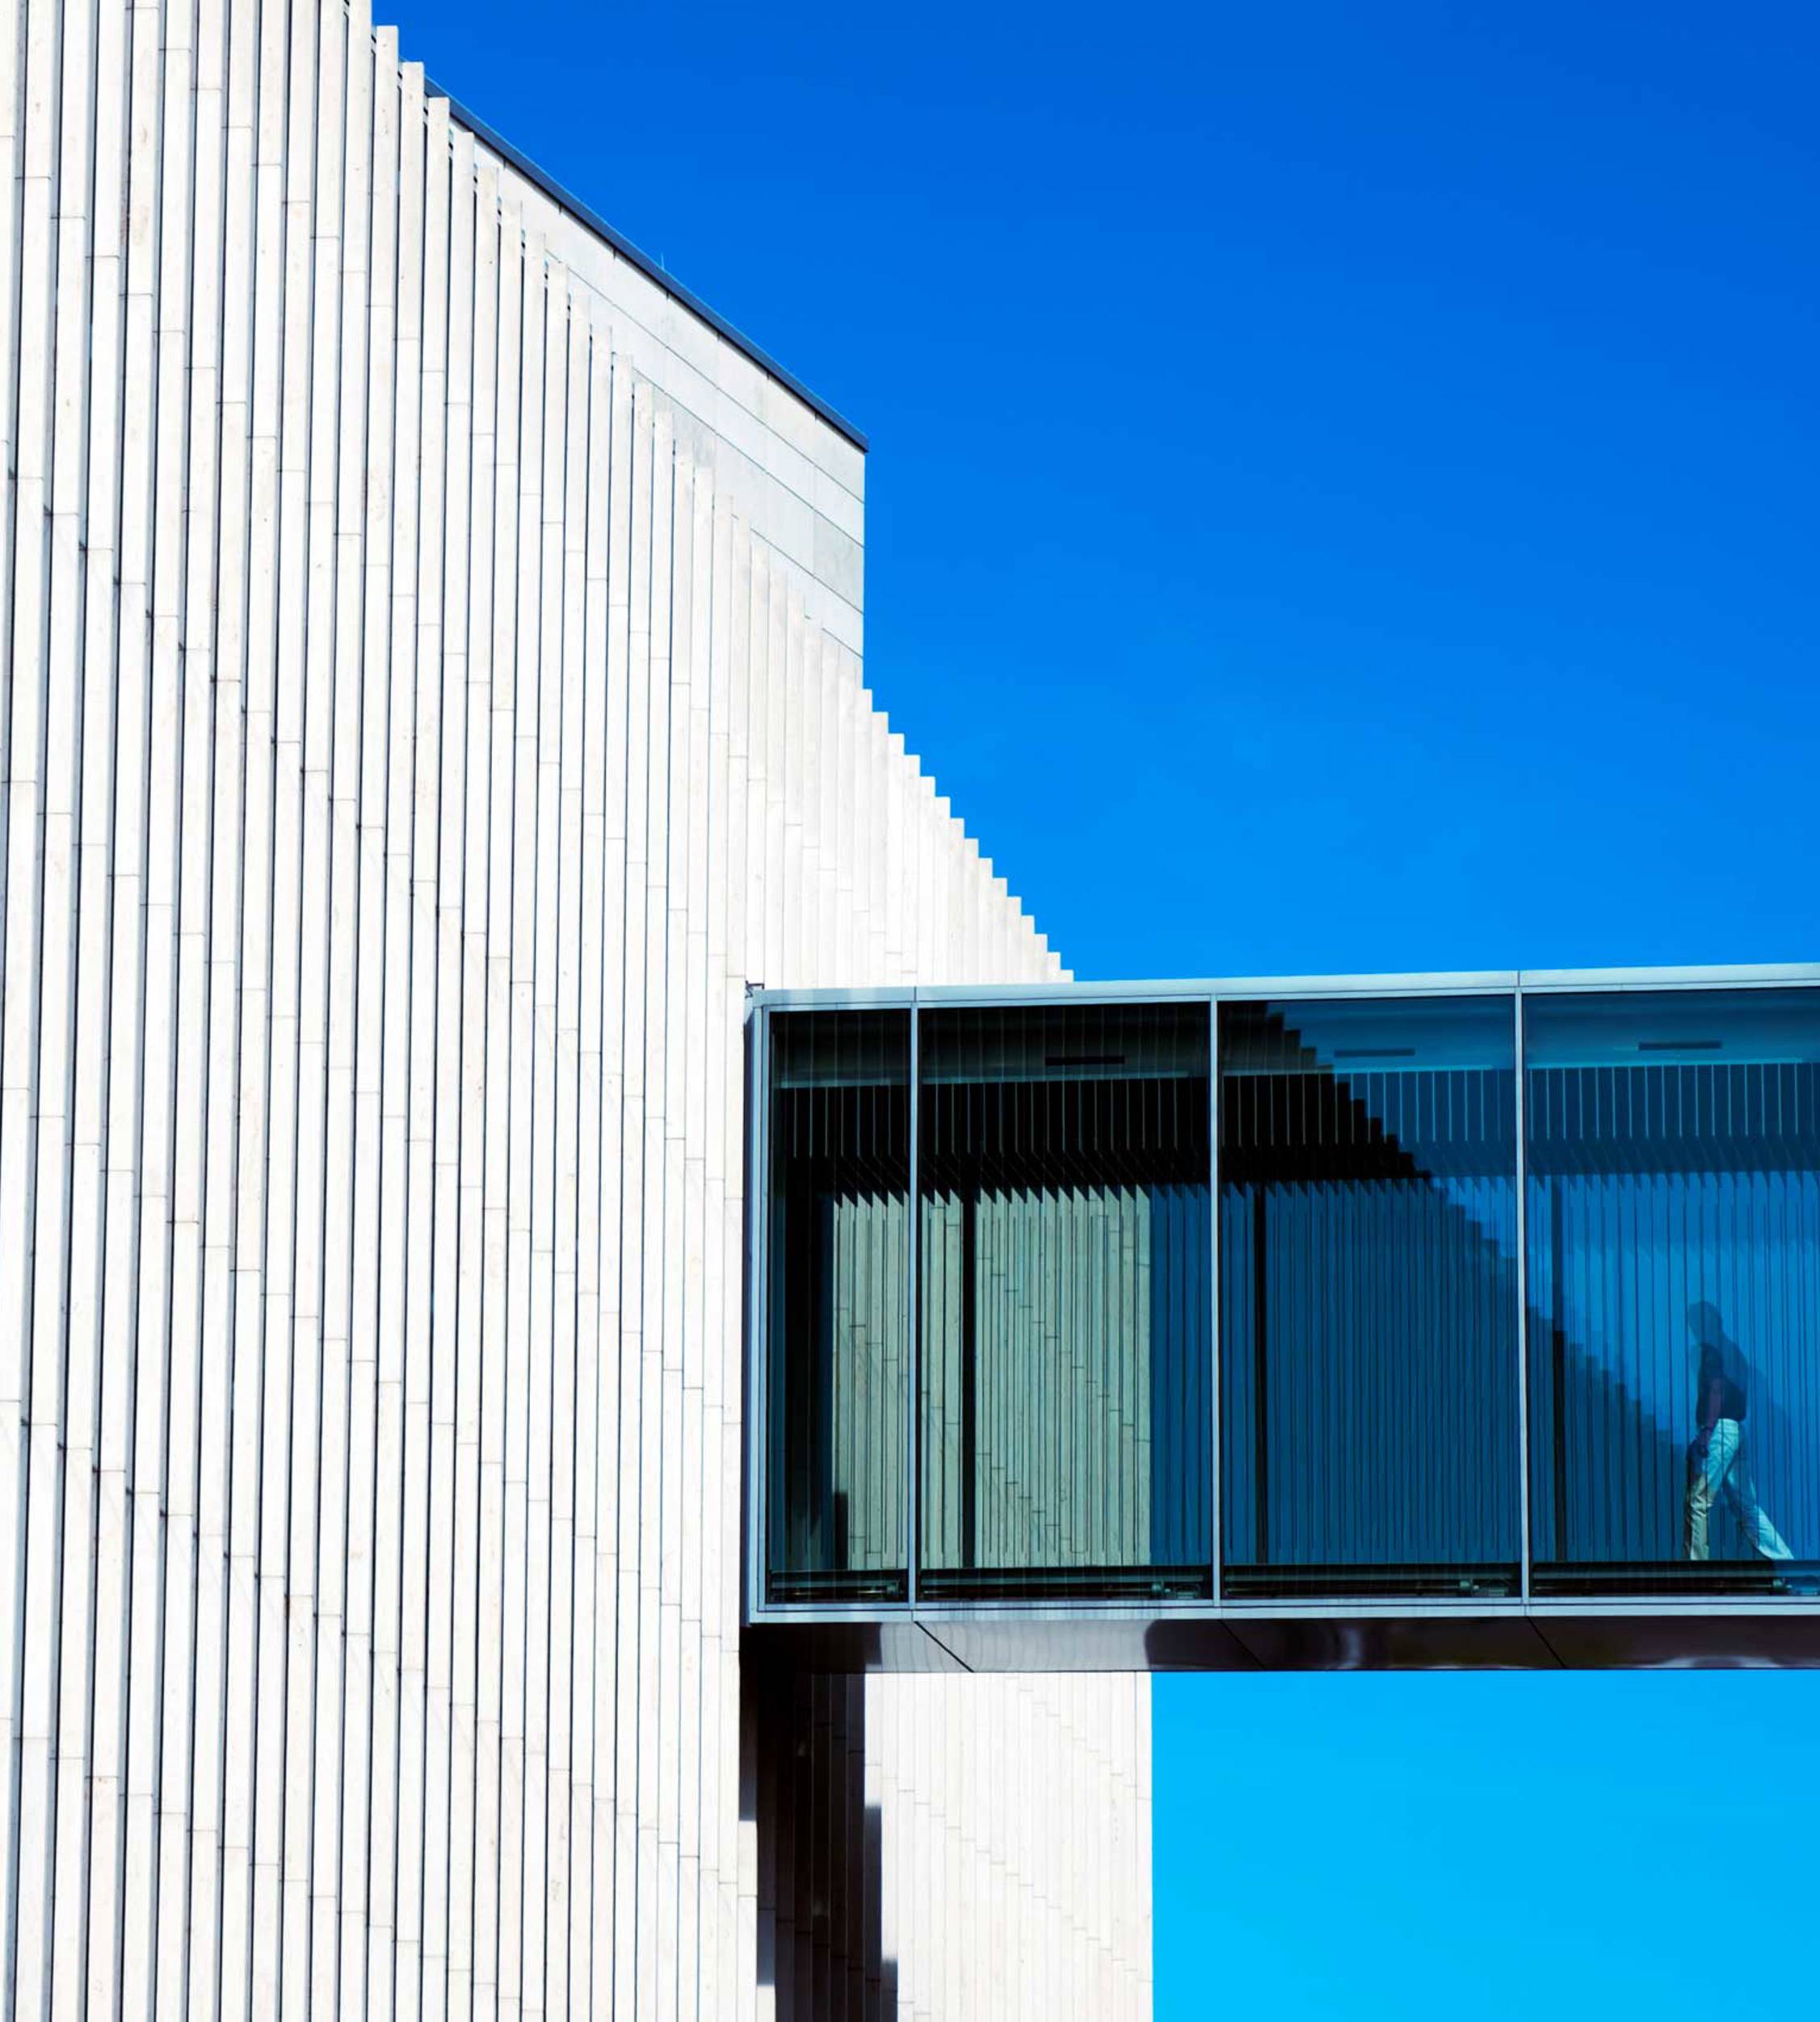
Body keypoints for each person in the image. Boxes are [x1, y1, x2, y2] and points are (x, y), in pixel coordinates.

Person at [1683, 1302, 1792, 1563]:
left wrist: (1707, 1432)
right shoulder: (1735, 1353)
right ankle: (1787, 1562)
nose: (1694, 1329)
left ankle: (1695, 1569)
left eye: (1697, 1323)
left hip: (1719, 1431)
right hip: (1735, 1430)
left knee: (1698, 1499)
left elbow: (1716, 1388)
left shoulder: (1710, 1353)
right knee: (1746, 1505)